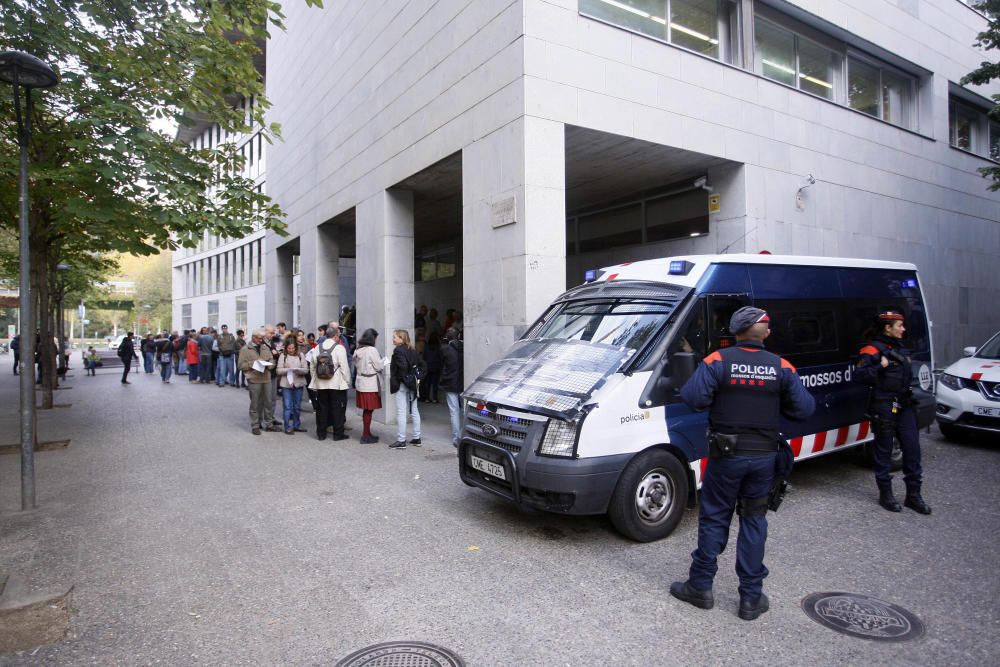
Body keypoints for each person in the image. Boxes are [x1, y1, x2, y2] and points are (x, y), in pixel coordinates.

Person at [670, 307, 814, 621]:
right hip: (764, 458)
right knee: (753, 520)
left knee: (714, 518)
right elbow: (804, 409)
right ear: (763, 333)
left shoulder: (718, 361)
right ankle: (750, 598)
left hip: (726, 457)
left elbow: (693, 398)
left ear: (736, 331)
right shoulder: (782, 366)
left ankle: (700, 587)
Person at [856, 311, 931, 515]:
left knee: (912, 449)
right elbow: (860, 376)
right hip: (884, 405)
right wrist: (879, 368)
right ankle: (886, 494)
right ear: (888, 328)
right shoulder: (871, 350)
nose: (903, 329)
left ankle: (913, 496)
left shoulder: (901, 348)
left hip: (904, 405)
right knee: (883, 451)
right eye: (900, 325)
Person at [306, 336, 350, 441]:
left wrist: (314, 379)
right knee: (337, 409)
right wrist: (346, 381)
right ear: (335, 336)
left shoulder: (317, 348)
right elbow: (344, 366)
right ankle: (338, 434)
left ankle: (321, 434)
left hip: (321, 383)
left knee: (321, 408)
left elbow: (312, 365)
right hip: (336, 383)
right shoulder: (339, 348)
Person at [237, 329, 279, 435]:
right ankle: (255, 425)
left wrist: (270, 365)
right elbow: (240, 365)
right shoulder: (245, 349)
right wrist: (252, 364)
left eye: (263, 338)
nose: (262, 340)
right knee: (255, 403)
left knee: (268, 402)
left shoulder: (265, 347)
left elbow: (272, 360)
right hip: (254, 379)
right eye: (260, 338)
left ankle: (269, 424)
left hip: (266, 378)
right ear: (254, 337)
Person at [389, 329, 426, 449]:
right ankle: (417, 438)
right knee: (414, 410)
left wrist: (403, 378)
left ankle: (401, 440)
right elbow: (423, 365)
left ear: (401, 338)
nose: (393, 339)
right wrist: (417, 377)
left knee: (401, 412)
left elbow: (403, 367)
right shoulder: (412, 349)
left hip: (403, 384)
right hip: (413, 384)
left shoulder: (398, 350)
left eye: (395, 337)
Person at [353, 328, 385, 444]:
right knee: (369, 410)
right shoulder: (372, 350)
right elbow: (379, 366)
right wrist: (384, 361)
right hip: (371, 383)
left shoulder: (358, 350)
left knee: (366, 410)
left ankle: (367, 433)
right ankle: (365, 435)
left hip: (361, 382)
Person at [275, 339, 308, 434]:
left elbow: (306, 369)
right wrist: (287, 370)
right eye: (289, 348)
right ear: (286, 348)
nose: (291, 350)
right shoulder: (283, 356)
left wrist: (299, 370)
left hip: (298, 382)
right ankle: (287, 426)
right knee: (287, 406)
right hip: (286, 383)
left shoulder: (300, 355)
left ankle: (296, 425)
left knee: (297, 406)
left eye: (293, 348)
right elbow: (278, 370)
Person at [439, 327, 464, 447]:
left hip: (450, 383)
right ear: (458, 336)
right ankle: (466, 436)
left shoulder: (446, 349)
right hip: (463, 382)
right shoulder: (465, 347)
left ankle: (456, 438)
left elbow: (441, 364)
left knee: (454, 411)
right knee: (465, 410)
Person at [422, 331, 442, 403]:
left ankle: (427, 398)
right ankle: (434, 398)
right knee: (435, 383)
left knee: (428, 383)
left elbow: (424, 356)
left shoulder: (426, 347)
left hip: (428, 366)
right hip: (436, 366)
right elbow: (441, 357)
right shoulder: (439, 347)